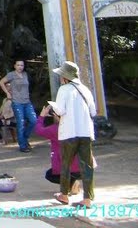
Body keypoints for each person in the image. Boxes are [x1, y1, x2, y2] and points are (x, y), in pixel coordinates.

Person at [47, 60, 97, 207]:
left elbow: (60, 111)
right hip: (85, 131)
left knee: (66, 164)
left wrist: (53, 106)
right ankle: (87, 199)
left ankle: (64, 195)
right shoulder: (85, 90)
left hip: (69, 132)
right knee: (87, 165)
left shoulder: (64, 90)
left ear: (64, 77)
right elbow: (93, 111)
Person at [34, 101, 82, 195]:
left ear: (56, 116)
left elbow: (38, 130)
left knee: (50, 175)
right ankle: (73, 182)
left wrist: (42, 116)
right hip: (82, 166)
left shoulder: (56, 129)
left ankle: (70, 184)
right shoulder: (75, 126)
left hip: (67, 167)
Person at [0, 59, 37, 152]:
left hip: (27, 101)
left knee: (34, 120)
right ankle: (23, 145)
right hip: (17, 102)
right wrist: (7, 93)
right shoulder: (11, 74)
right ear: (15, 66)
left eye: (22, 65)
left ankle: (24, 138)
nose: (20, 67)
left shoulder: (25, 74)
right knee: (21, 123)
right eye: (18, 65)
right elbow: (1, 82)